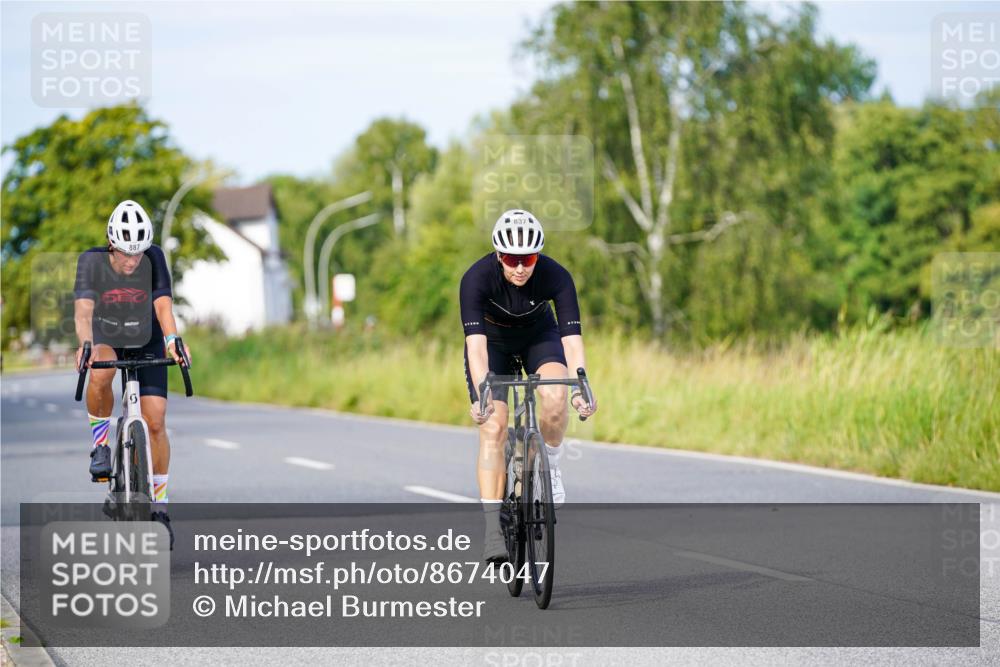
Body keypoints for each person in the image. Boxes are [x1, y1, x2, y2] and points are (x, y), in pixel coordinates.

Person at [460, 209, 597, 562]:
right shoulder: (476, 278)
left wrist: (580, 386)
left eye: (529, 259)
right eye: (511, 259)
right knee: (494, 426)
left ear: (538, 256)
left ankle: (551, 466)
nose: (520, 268)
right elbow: (476, 349)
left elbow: (572, 343)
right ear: (498, 254)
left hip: (539, 336)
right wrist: (482, 394)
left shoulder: (556, 276)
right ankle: (493, 531)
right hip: (493, 344)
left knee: (555, 393)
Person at [73, 200, 190, 548]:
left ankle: (160, 509)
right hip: (107, 334)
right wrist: (85, 344)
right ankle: (100, 446)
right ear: (112, 243)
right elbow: (83, 311)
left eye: (138, 252)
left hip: (147, 337)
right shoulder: (91, 262)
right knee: (101, 370)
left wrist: (172, 339)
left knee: (156, 421)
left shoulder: (154, 257)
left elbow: (163, 305)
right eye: (126, 252)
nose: (132, 260)